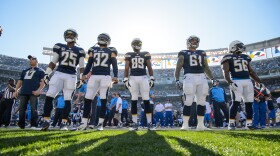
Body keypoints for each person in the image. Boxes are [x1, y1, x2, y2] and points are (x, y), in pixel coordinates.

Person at [41, 28, 85, 131]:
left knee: (68, 99)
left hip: (71, 75)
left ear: (75, 37)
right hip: (59, 73)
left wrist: (81, 78)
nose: (69, 36)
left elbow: (82, 66)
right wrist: (47, 73)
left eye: (71, 35)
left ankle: (64, 123)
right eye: (68, 35)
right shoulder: (59, 46)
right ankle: (46, 120)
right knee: (49, 95)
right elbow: (53, 62)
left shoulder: (80, 50)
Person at [174, 35, 215, 130]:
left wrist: (212, 78)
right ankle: (185, 125)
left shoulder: (202, 52)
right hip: (189, 77)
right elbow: (178, 67)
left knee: (201, 101)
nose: (194, 42)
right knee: (188, 101)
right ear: (188, 42)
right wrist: (177, 79)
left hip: (202, 76)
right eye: (192, 40)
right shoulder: (183, 52)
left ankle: (200, 125)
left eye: (195, 41)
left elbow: (206, 67)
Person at [221, 40, 262, 130]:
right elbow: (225, 71)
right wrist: (229, 82)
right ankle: (231, 123)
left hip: (247, 81)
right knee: (235, 102)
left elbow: (251, 71)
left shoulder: (245, 57)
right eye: (239, 45)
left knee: (249, 103)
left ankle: (249, 124)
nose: (241, 47)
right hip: (236, 81)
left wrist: (259, 81)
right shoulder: (227, 57)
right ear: (233, 47)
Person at [81, 33, 118, 131]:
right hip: (99, 76)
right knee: (91, 98)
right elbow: (114, 64)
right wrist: (116, 75)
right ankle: (85, 123)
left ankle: (98, 124)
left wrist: (84, 74)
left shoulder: (94, 49)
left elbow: (89, 64)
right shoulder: (111, 50)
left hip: (101, 76)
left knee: (100, 99)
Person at [123, 38, 155, 131]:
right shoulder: (145, 53)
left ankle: (135, 123)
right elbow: (149, 66)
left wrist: (125, 79)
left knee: (135, 100)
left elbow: (126, 68)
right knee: (145, 100)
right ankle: (149, 123)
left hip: (133, 78)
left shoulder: (129, 54)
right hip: (143, 77)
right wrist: (152, 77)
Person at [14, 55, 45, 129]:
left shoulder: (41, 71)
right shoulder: (25, 71)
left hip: (34, 92)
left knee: (33, 109)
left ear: (37, 61)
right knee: (21, 109)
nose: (30, 60)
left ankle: (34, 125)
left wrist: (38, 90)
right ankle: (21, 125)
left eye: (32, 59)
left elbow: (43, 82)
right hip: (24, 92)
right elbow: (20, 81)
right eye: (30, 59)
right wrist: (16, 90)